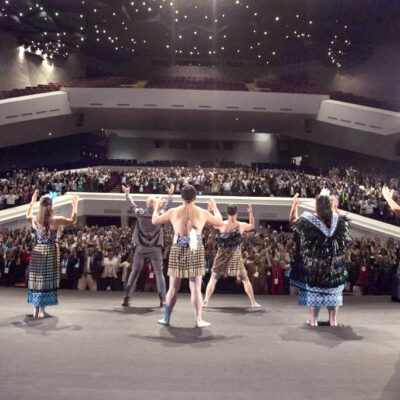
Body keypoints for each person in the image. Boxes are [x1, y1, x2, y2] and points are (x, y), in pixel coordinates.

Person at [152, 185, 223, 327]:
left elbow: (155, 220)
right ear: (195, 198)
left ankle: (166, 319)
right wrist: (214, 207)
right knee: (195, 287)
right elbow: (220, 222)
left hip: (177, 247)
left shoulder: (173, 211)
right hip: (195, 247)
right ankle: (198, 320)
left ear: (181, 197)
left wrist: (157, 208)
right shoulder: (203, 212)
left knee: (172, 287)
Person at [289, 190, 352, 327]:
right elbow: (345, 225)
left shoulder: (308, 220)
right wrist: (336, 209)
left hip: (315, 266)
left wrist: (295, 205)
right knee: (333, 293)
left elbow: (293, 221)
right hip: (334, 266)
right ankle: (333, 320)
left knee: (314, 292)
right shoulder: (338, 220)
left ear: (316, 206)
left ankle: (313, 320)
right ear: (329, 206)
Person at [26, 191, 78, 318]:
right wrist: (74, 205)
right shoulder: (54, 220)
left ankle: (36, 309)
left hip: (38, 251)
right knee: (45, 281)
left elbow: (27, 216)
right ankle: (42, 310)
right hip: (49, 252)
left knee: (37, 280)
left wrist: (32, 202)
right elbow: (73, 220)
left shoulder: (36, 219)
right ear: (51, 206)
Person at [121, 183, 174, 307]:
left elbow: (132, 205)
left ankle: (127, 298)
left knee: (134, 272)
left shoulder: (140, 213)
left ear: (146, 204)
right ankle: (163, 300)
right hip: (155, 248)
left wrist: (128, 194)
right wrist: (170, 195)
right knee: (159, 274)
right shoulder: (159, 214)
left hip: (140, 247)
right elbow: (167, 206)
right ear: (155, 205)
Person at [202, 203, 261, 308]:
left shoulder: (222, 225)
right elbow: (252, 225)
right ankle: (253, 302)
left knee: (213, 278)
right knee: (245, 280)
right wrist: (250, 213)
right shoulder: (241, 225)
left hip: (222, 255)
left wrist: (209, 210)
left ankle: (206, 301)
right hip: (235, 255)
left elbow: (207, 223)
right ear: (236, 213)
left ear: (227, 213)